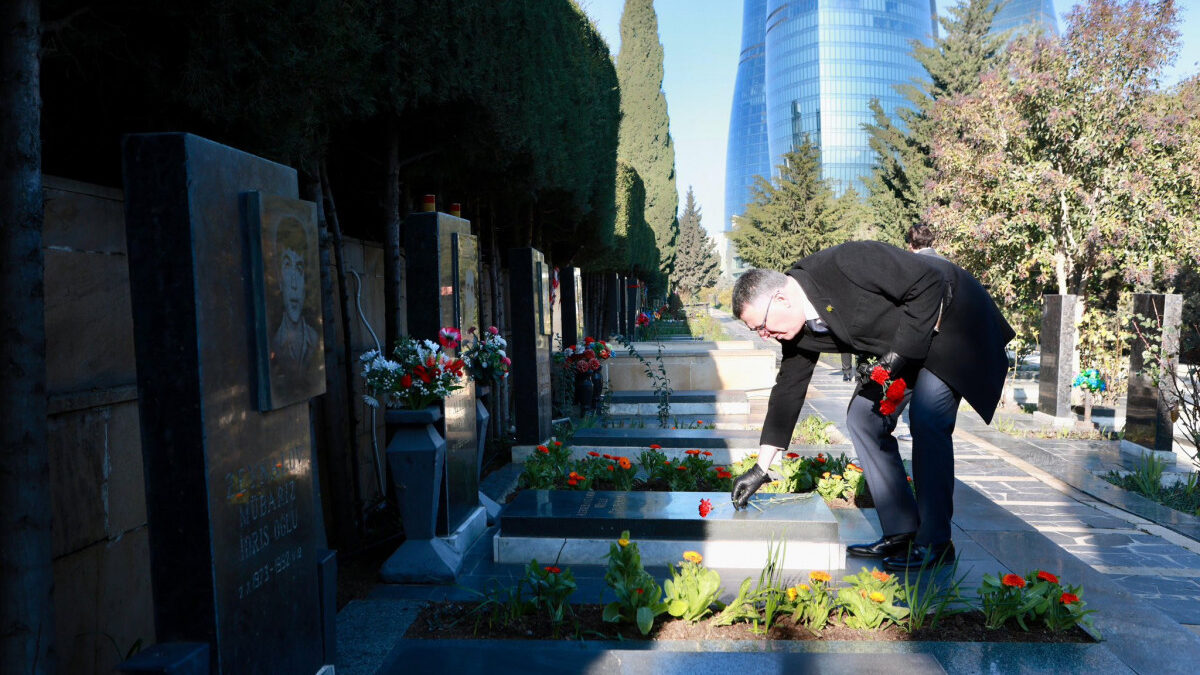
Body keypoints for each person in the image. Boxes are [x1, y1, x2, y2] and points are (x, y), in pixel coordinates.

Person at [730, 240, 1014, 571]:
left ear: (780, 298)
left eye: (762, 326)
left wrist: (894, 358)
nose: (764, 335)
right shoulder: (795, 330)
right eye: (757, 331)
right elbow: (788, 389)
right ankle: (902, 531)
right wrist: (760, 468)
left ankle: (936, 542)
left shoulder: (847, 262)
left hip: (952, 320)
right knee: (863, 417)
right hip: (908, 343)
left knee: (927, 417)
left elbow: (929, 283)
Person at [270, 216, 320, 395]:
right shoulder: (274, 342)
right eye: (287, 266)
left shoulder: (314, 339)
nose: (293, 283)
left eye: (299, 269)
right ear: (278, 277)